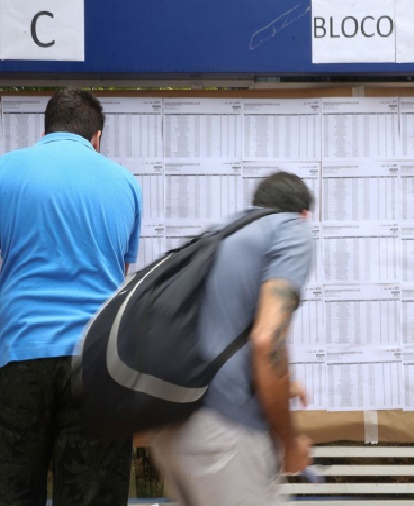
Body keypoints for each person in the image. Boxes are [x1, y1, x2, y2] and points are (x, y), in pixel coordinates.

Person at [0, 88, 142, 506]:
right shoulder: (125, 183)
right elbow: (120, 274)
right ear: (96, 137)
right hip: (97, 363)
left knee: (11, 491)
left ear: (46, 130)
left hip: (20, 353)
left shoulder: (5, 172)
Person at [150, 171, 315, 506]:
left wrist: (282, 384)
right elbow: (267, 342)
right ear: (303, 214)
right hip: (224, 434)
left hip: (169, 427)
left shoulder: (219, 235)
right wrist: (289, 442)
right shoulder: (291, 230)